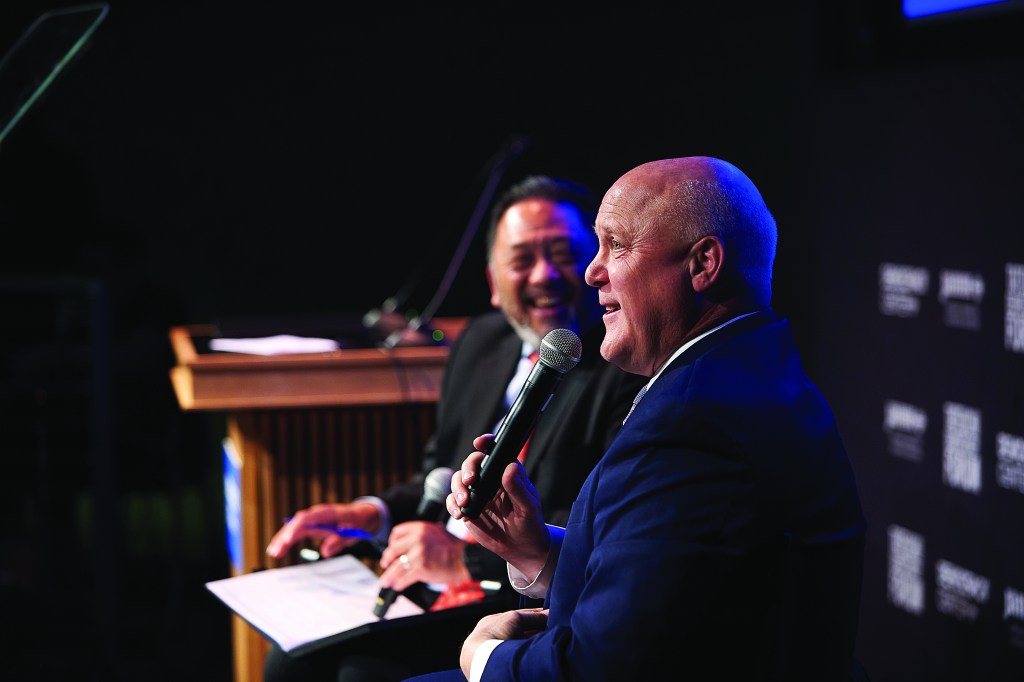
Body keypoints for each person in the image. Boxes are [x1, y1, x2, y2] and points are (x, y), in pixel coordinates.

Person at [423, 156, 867, 681]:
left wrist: (485, 659)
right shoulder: (744, 370)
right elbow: (680, 587)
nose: (592, 271)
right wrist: (535, 548)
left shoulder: (696, 422)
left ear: (703, 264)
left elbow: (598, 669)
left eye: (617, 245)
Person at [261, 175, 646, 682]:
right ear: (493, 281)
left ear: (599, 268)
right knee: (289, 660)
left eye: (562, 253)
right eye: (522, 259)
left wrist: (461, 560)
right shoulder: (480, 344)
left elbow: (593, 525)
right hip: (432, 588)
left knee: (360, 673)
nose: (543, 275)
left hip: (520, 598)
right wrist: (368, 514)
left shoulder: (625, 365)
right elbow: (439, 476)